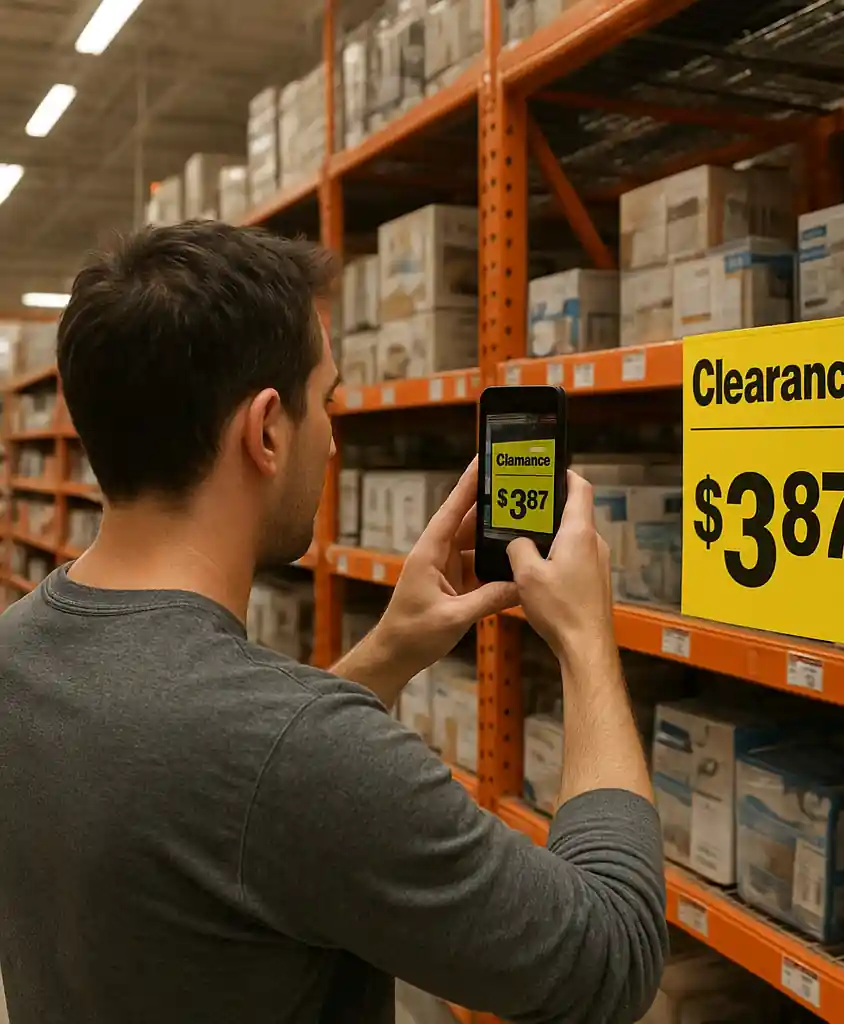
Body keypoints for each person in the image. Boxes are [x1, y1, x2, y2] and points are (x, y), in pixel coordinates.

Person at [0, 221, 667, 1024]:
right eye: (329, 401)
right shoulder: (301, 752)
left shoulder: (18, 651)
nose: (336, 440)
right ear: (268, 431)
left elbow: (216, 796)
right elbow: (609, 955)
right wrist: (588, 643)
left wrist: (388, 650)